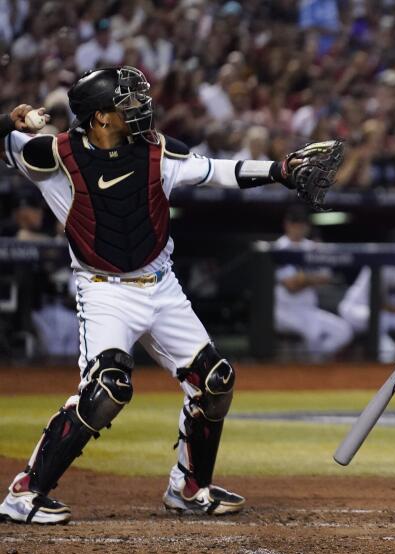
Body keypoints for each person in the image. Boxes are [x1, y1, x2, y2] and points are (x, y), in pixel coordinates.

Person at [0, 66, 331, 524]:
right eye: (126, 104)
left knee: (215, 381)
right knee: (106, 390)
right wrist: (9, 122)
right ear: (99, 117)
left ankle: (189, 487)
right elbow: (7, 143)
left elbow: (219, 171)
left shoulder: (156, 152)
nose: (139, 110)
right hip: (103, 290)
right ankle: (26, 491)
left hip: (161, 284)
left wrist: (279, 170)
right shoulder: (52, 154)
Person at [273, 205, 352, 361]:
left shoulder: (311, 247)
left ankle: (314, 364)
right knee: (314, 332)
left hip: (308, 310)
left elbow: (326, 277)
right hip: (285, 312)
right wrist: (311, 278)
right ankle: (311, 371)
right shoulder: (280, 247)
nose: (298, 228)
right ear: (287, 224)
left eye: (301, 224)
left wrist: (303, 279)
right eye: (295, 223)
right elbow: (291, 286)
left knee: (344, 331)